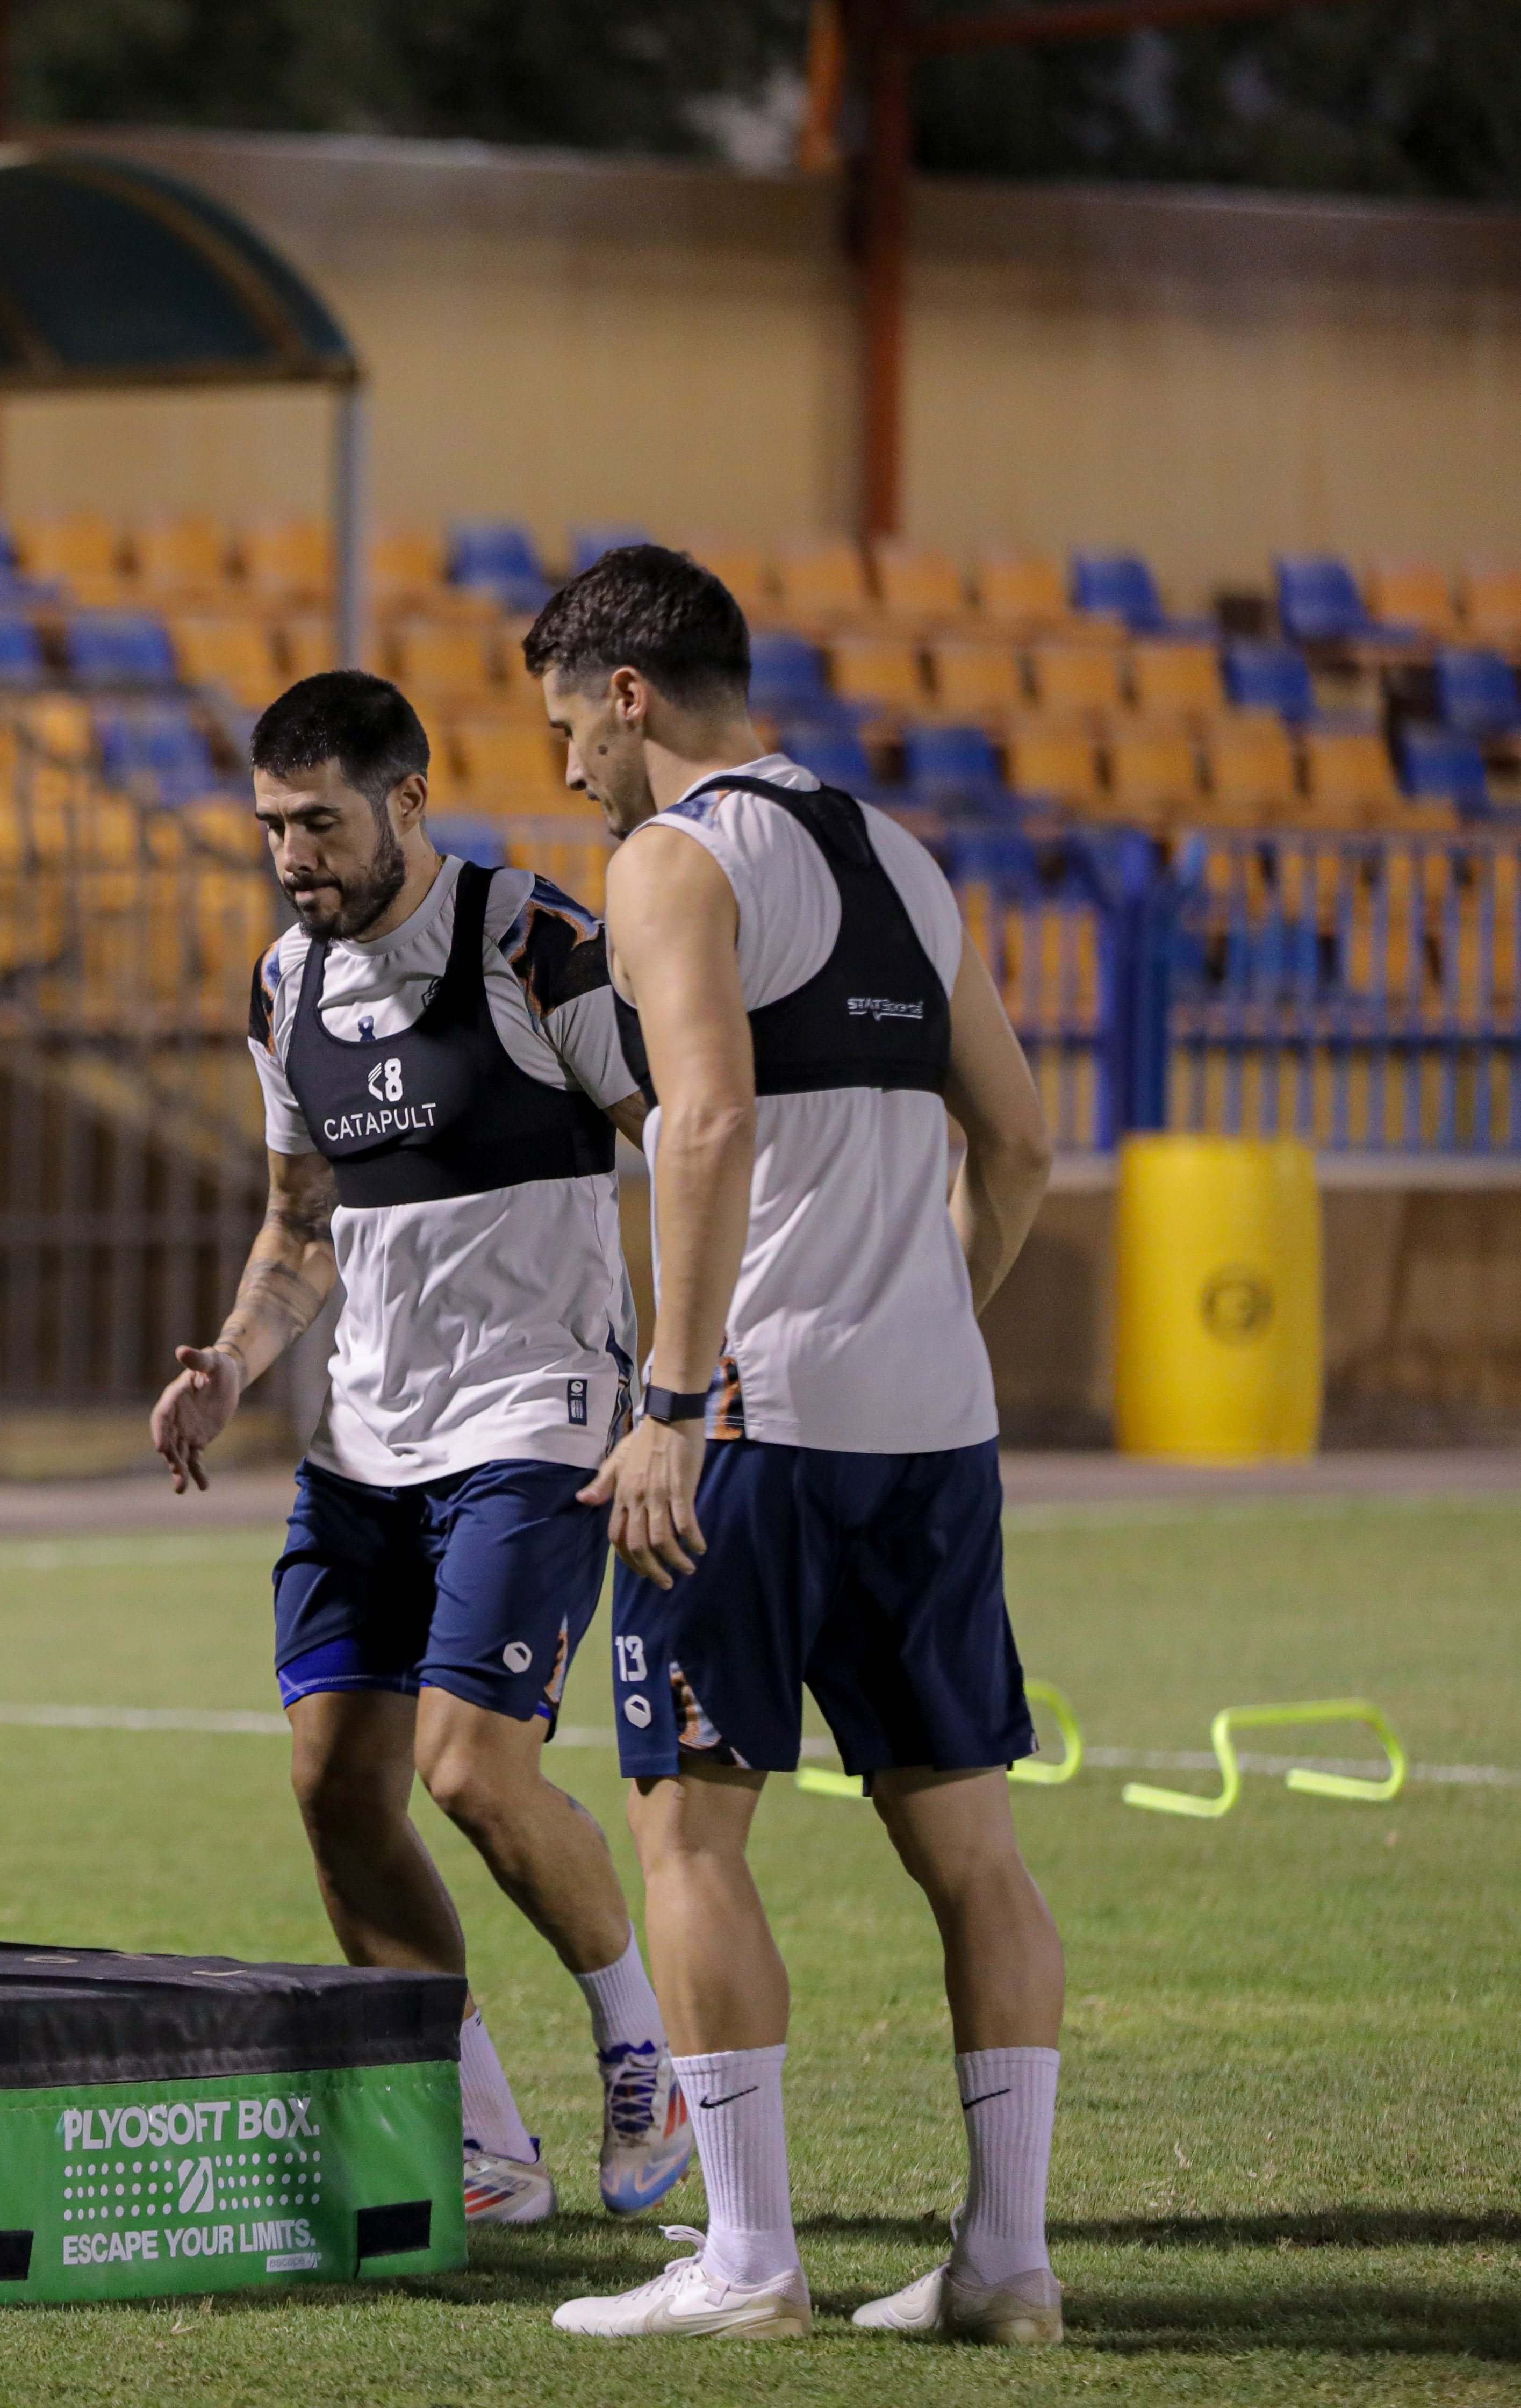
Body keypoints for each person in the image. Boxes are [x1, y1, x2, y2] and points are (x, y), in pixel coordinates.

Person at [526, 549, 1064, 2344]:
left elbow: (703, 1120)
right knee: (976, 1854)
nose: (564, 779)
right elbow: (1027, 1146)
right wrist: (922, 1327)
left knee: (687, 1837)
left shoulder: (673, 857)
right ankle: (1008, 2268)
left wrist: (672, 1402)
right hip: (933, 1428)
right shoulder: (906, 855)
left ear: (628, 695)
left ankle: (748, 2261)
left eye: (564, 733)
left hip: (749, 1432)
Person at [150, 671, 695, 2231]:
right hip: (362, 1439)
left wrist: (686, 1380)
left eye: (319, 822)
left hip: (537, 1416)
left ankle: (641, 2056)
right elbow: (299, 1225)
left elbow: (680, 1139)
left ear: (407, 801)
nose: (292, 856)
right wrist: (232, 1365)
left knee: (470, 1767)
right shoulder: (284, 990)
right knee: (336, 1787)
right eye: (270, 827)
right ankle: (480, 2138)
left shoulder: (536, 943)